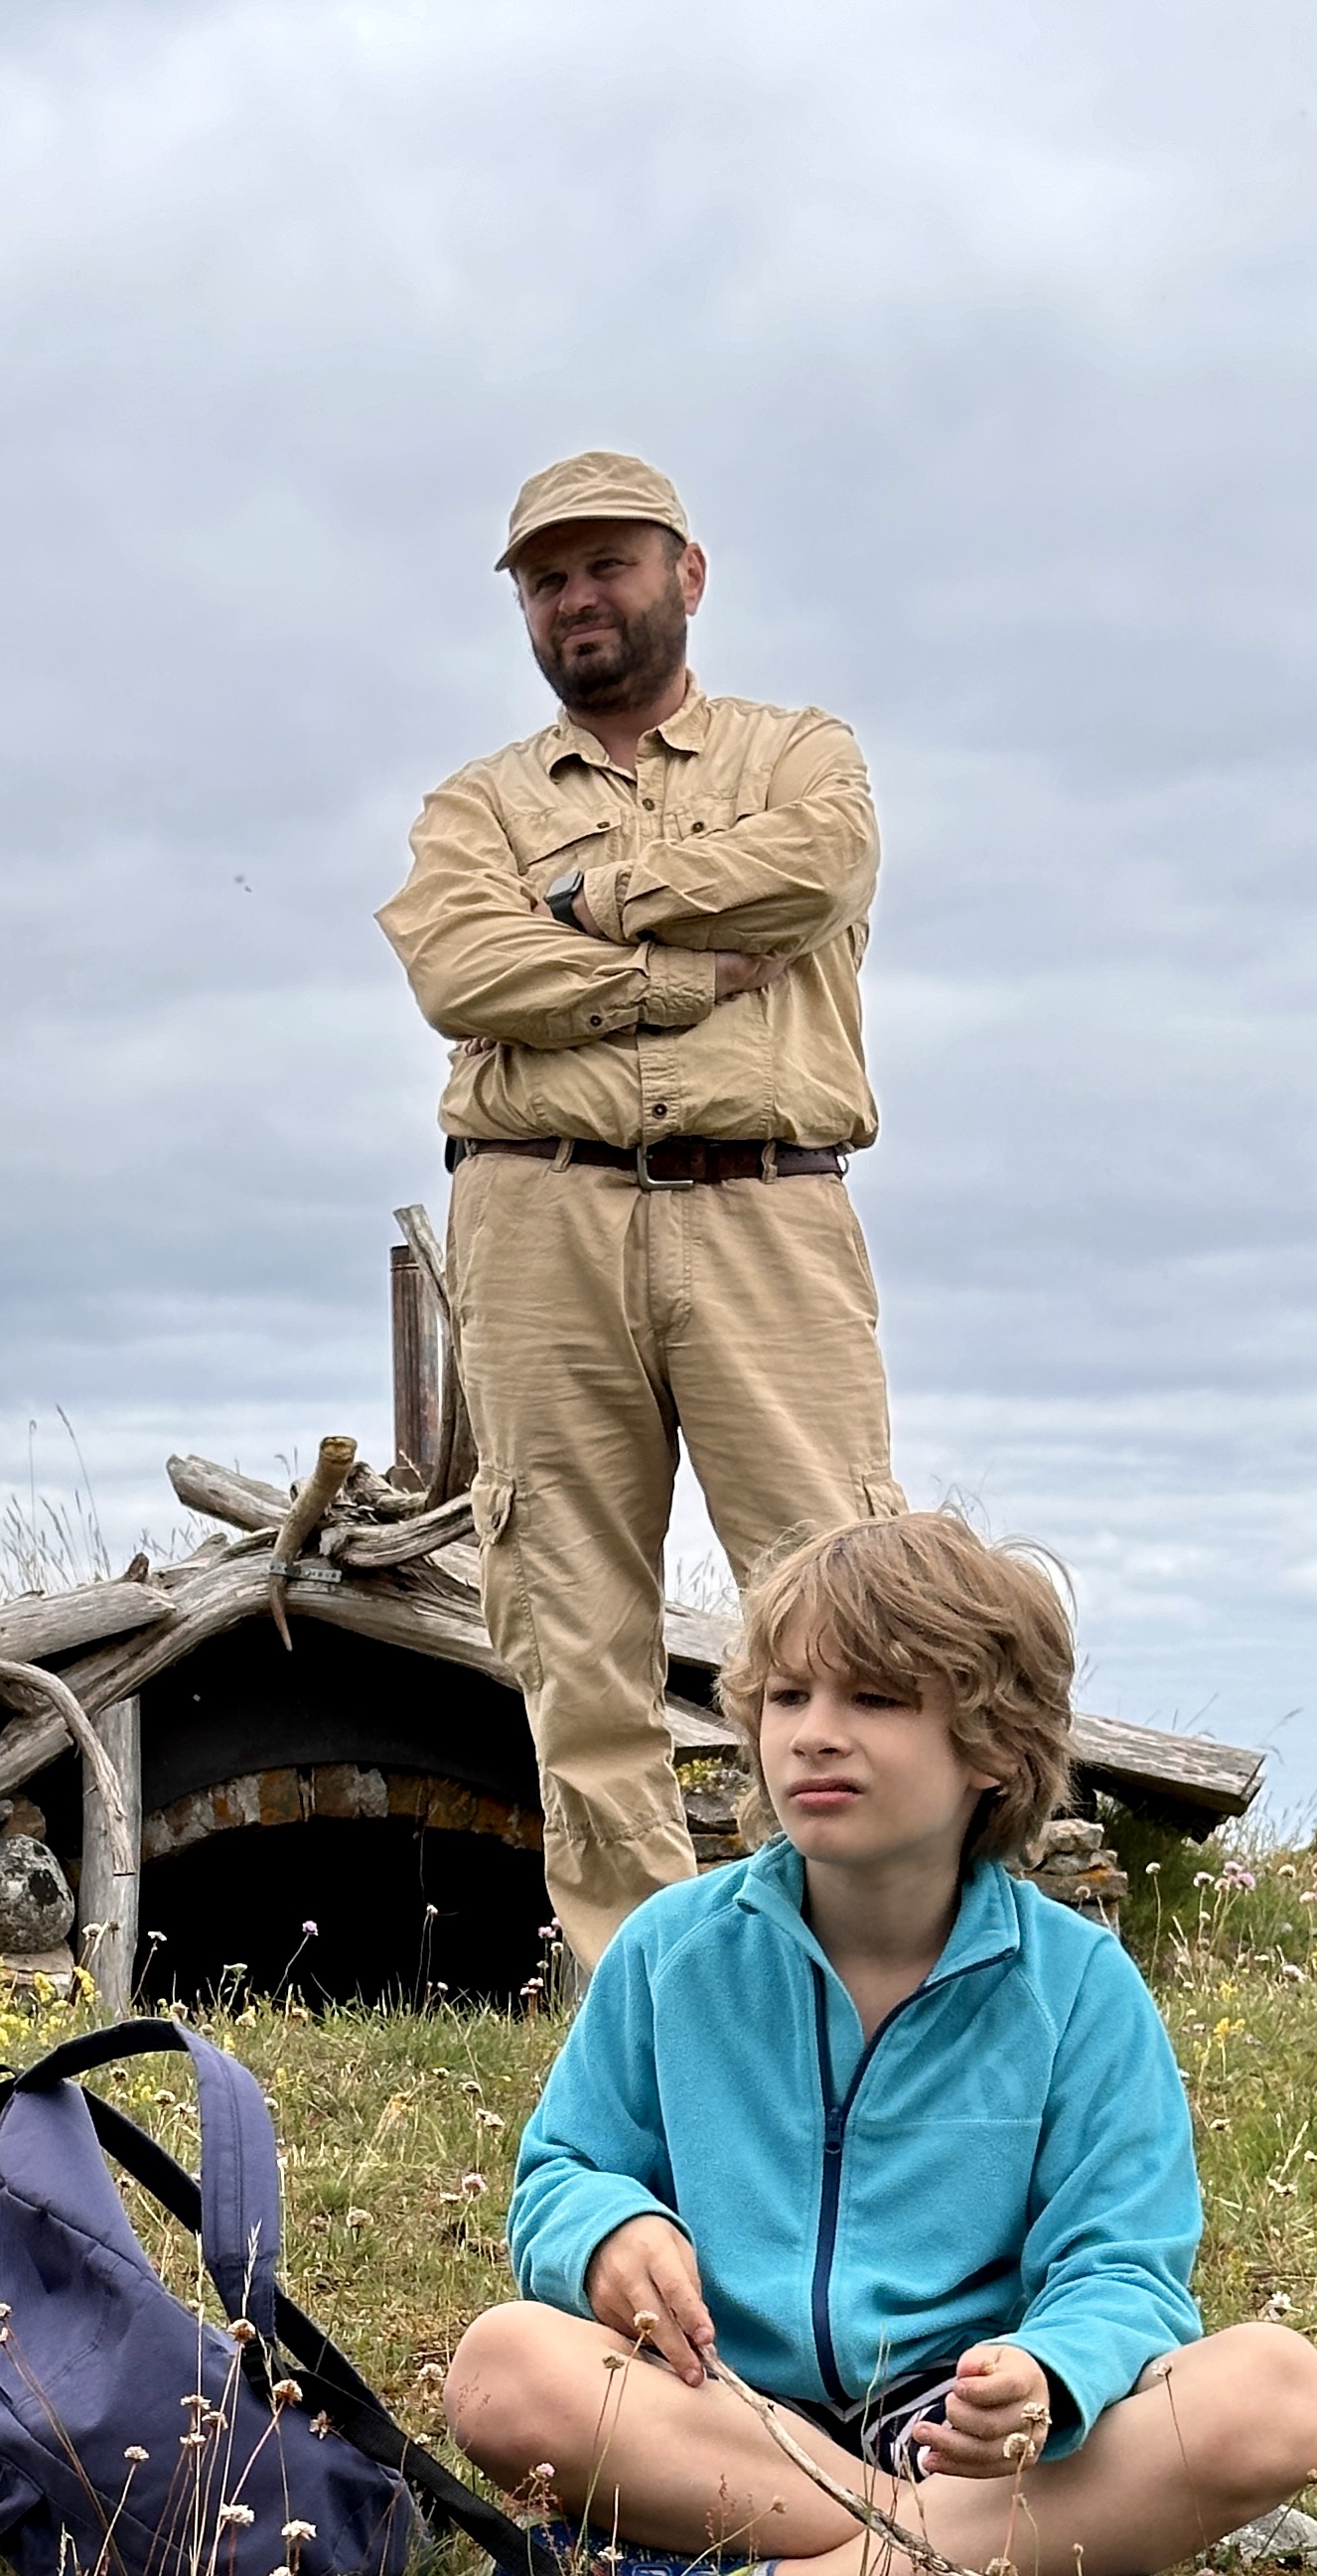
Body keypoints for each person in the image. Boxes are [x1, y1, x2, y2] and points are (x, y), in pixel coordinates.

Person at [443, 1509, 1317, 2576]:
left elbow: (1123, 2265)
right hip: (723, 2411)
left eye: (872, 1700)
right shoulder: (674, 1950)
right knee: (501, 2364)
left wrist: (1049, 2375)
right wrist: (608, 2234)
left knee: (1279, 2395)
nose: (814, 1735)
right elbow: (561, 2170)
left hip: (969, 2433)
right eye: (787, 1697)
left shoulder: (1078, 1988)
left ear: (990, 1747)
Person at [377, 448, 900, 1974]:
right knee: (571, 1628)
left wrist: (585, 904)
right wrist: (675, 972)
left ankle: (864, 1982)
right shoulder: (475, 803)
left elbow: (810, 871)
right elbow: (459, 974)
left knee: (838, 1604)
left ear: (687, 572)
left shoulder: (801, 753)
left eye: (606, 564)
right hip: (537, 1224)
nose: (575, 599)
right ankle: (643, 2002)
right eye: (546, 578)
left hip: (768, 1210)